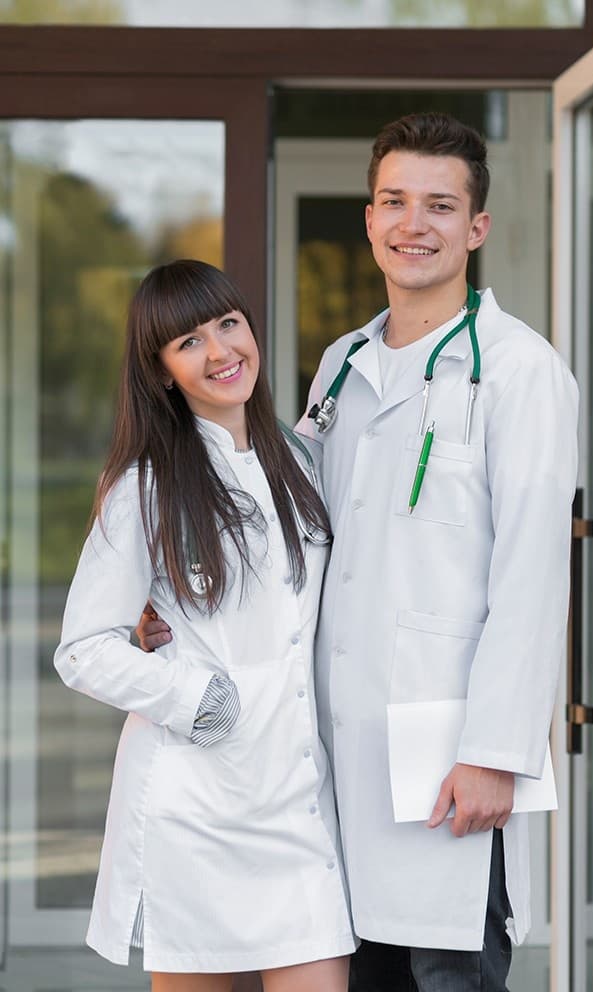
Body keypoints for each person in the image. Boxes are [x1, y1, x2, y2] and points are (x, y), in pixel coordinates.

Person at [141, 112, 579, 992]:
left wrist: (497, 750)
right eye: (395, 201)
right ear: (370, 218)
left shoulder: (519, 372)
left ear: (476, 228)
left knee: (443, 965)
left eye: (441, 206)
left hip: (447, 761)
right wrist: (177, 605)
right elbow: (272, 521)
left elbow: (532, 577)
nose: (415, 224)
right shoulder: (341, 364)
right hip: (327, 762)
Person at [54, 260, 356, 992]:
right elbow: (82, 649)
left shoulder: (301, 461)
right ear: (160, 371)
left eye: (228, 324)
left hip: (298, 801)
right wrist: (196, 697)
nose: (220, 352)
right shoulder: (147, 485)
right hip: (198, 807)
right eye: (189, 342)